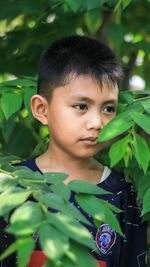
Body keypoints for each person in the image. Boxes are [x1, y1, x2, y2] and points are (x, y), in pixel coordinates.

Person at [0, 35, 147, 267]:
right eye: (81, 106)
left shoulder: (125, 194)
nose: (97, 122)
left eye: (109, 108)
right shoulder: (11, 187)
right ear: (41, 109)